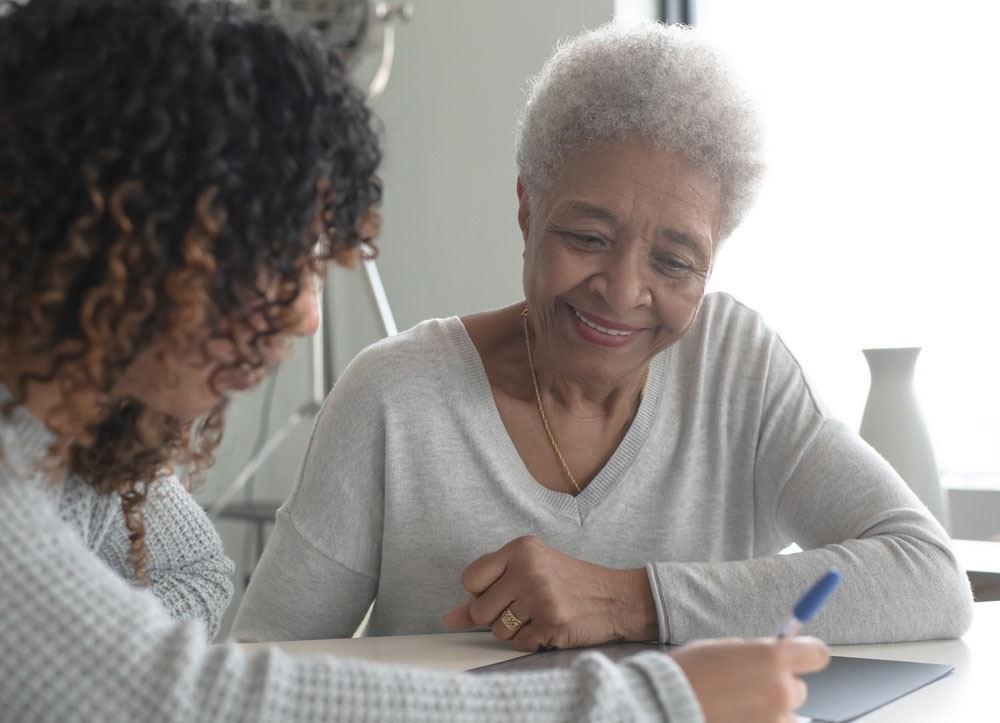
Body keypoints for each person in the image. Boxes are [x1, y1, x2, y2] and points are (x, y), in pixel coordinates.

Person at [0, 1, 831, 721]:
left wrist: (92, 638)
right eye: (272, 255)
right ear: (121, 233)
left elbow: (187, 600)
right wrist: (659, 702)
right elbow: (208, 698)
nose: (304, 312)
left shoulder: (72, 447)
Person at [233, 20, 974, 653]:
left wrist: (629, 601)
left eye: (675, 260)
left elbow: (928, 577)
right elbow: (254, 671)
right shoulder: (394, 397)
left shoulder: (738, 368)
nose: (622, 291)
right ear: (527, 209)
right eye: (588, 235)